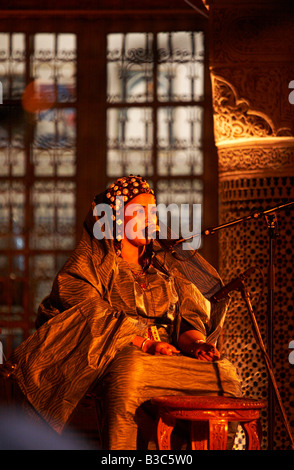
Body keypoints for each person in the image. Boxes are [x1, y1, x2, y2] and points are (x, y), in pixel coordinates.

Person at [9, 175, 242, 450]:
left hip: (171, 361)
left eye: (154, 212)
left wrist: (198, 345)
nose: (151, 220)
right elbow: (87, 313)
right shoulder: (92, 263)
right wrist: (146, 342)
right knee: (131, 369)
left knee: (225, 373)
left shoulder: (169, 267)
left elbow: (188, 321)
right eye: (140, 212)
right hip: (121, 358)